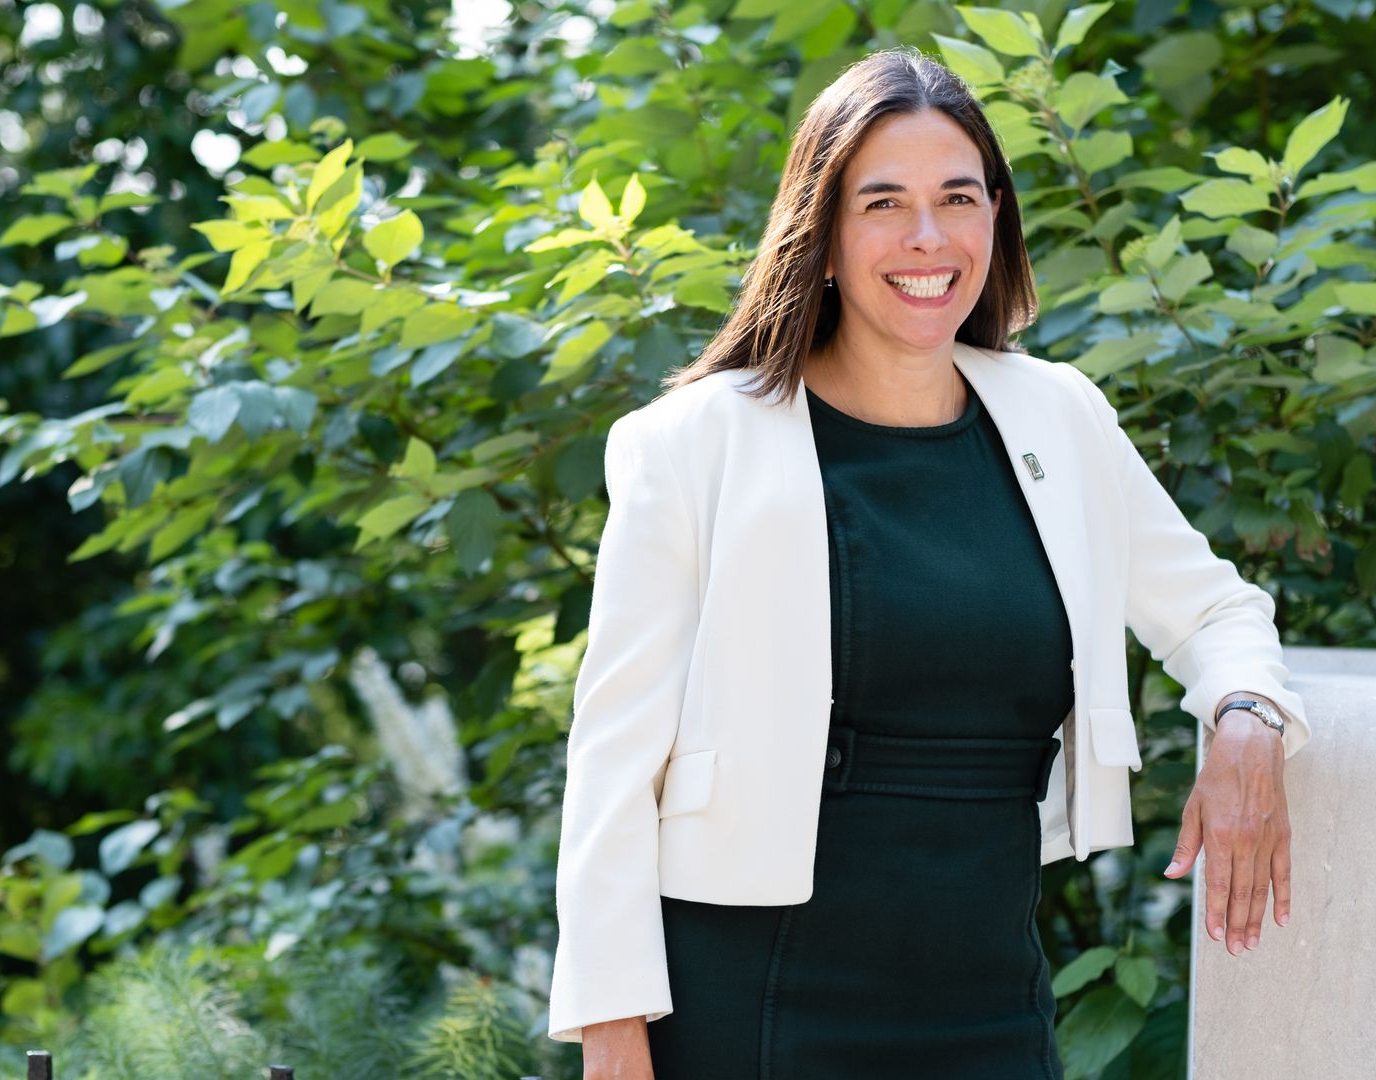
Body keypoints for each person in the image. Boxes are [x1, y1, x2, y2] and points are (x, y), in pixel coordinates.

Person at [548, 47, 1313, 1079]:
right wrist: (612, 1039)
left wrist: (1247, 721)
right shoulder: (693, 443)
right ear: (818, 238)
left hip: (986, 1000)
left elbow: (1216, 613)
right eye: (881, 203)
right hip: (754, 999)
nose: (927, 236)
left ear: (995, 221)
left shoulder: (1061, 419)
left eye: (958, 196)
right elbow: (612, 765)